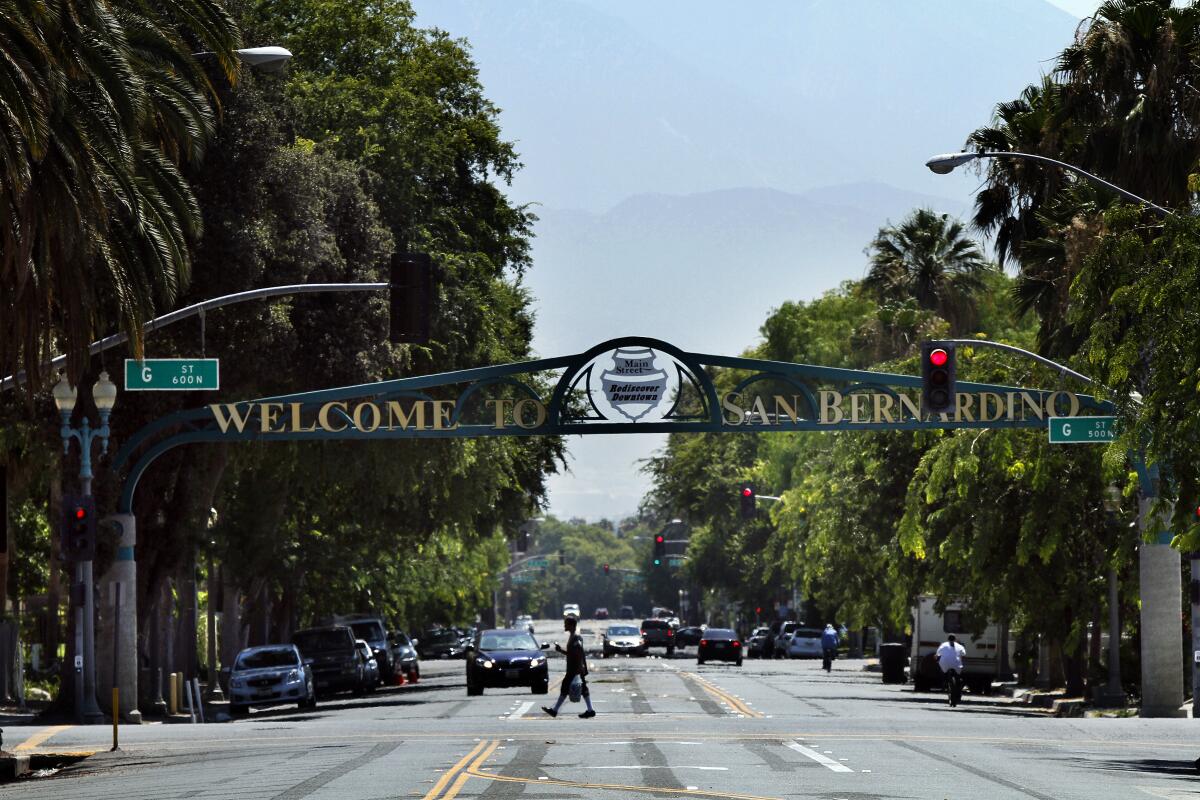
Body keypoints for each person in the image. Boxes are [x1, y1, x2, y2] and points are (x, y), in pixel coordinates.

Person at [542, 616, 595, 718]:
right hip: (575, 668)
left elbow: (579, 651)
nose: (564, 625)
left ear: (571, 625)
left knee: (565, 687)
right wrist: (560, 650)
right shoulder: (573, 637)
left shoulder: (576, 637)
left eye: (566, 624)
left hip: (575, 669)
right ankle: (590, 710)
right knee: (582, 689)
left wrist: (580, 667)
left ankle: (555, 710)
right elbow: (572, 653)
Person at [935, 634, 967, 707]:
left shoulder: (943, 644)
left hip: (945, 664)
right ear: (955, 639)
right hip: (957, 664)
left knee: (943, 670)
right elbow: (964, 654)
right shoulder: (959, 646)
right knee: (958, 677)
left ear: (948, 639)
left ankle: (944, 682)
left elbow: (938, 653)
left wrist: (937, 656)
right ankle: (959, 685)